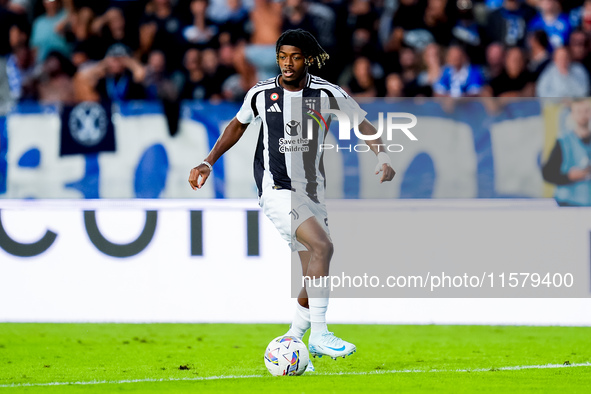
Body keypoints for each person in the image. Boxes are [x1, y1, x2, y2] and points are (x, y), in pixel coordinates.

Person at [188, 29, 395, 364]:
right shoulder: (261, 93)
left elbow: (363, 124)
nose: (287, 63)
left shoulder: (327, 93)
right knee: (324, 248)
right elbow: (237, 126)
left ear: (307, 59)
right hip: (276, 188)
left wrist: (383, 156)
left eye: (295, 57)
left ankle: (292, 342)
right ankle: (322, 334)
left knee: (313, 274)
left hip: (312, 194)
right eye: (282, 56)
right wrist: (207, 161)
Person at [542, 99, 591, 206]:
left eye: (587, 111)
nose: (583, 115)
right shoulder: (563, 141)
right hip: (568, 204)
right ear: (572, 115)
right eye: (579, 111)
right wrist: (569, 177)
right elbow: (547, 173)